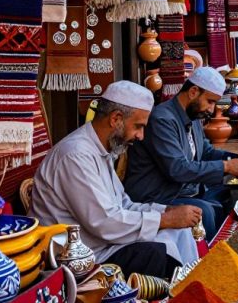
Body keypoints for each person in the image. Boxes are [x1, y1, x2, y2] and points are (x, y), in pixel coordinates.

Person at [31, 81, 201, 278]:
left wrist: (166, 211)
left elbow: (124, 205)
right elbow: (103, 222)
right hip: (77, 258)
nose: (141, 136)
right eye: (138, 127)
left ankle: (195, 288)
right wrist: (164, 219)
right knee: (155, 254)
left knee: (178, 232)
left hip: (101, 243)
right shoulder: (76, 155)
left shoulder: (101, 150)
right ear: (116, 119)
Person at [124, 68, 238, 237]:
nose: (211, 110)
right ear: (193, 92)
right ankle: (211, 252)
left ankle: (231, 245)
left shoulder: (193, 117)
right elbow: (177, 169)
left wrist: (236, 159)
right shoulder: (162, 119)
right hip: (157, 197)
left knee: (233, 194)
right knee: (204, 211)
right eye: (210, 101)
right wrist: (226, 166)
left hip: (187, 192)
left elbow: (205, 152)